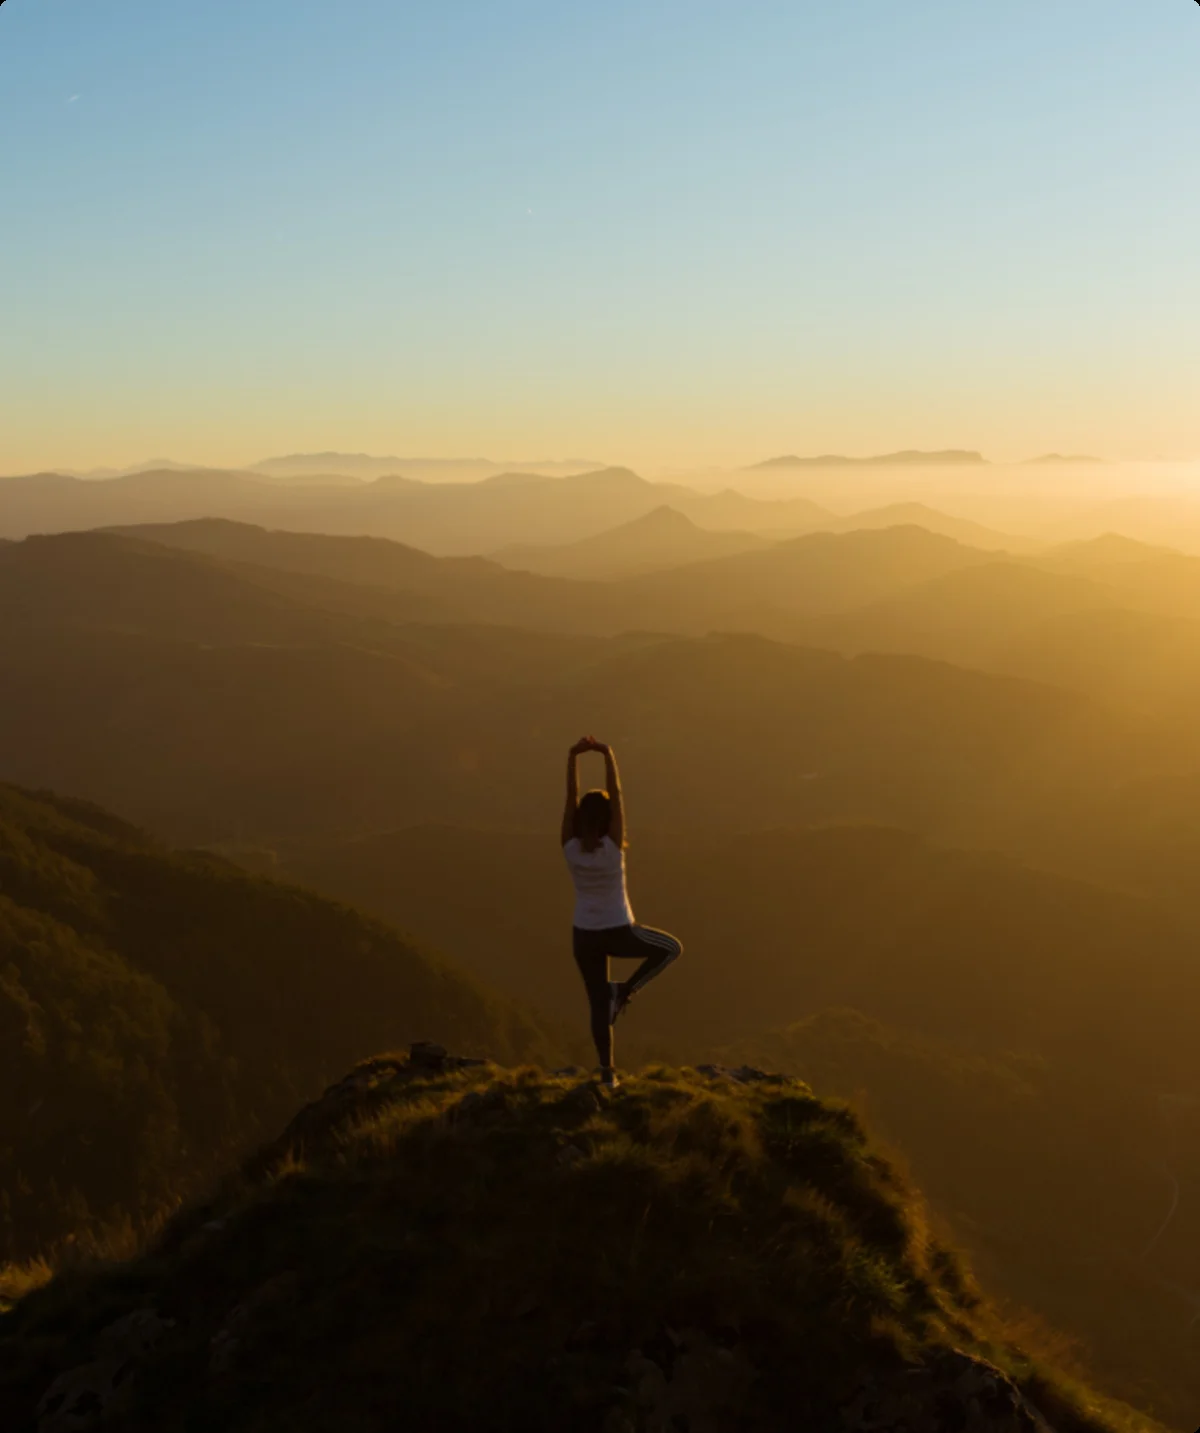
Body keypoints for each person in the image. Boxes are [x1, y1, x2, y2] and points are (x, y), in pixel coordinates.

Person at [561, 735, 683, 1089]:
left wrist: (573, 758)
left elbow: (570, 799)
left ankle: (606, 1073)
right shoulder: (613, 847)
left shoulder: (569, 847)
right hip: (618, 930)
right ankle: (626, 991)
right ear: (608, 819)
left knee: (597, 1004)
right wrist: (607, 754)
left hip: (583, 936)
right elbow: (618, 795)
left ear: (581, 818)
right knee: (671, 949)